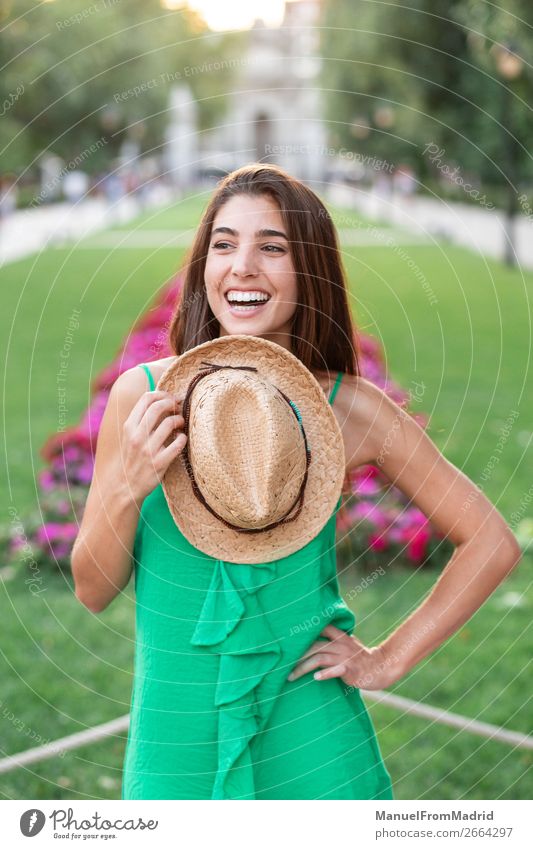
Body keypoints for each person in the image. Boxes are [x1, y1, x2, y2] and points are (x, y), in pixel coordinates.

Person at [71, 163, 521, 800]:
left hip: (316, 747)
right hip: (176, 746)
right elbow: (92, 590)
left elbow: (491, 542)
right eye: (223, 245)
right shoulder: (143, 398)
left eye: (272, 248)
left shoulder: (348, 408)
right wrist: (128, 483)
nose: (242, 267)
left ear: (308, 270)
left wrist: (388, 658)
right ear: (203, 266)